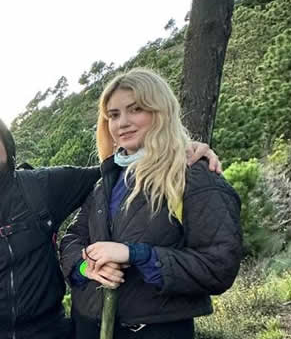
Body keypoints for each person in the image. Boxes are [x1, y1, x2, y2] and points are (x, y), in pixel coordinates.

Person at [0, 104, 220, 339]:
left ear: (5, 143)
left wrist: (177, 149)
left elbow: (110, 171)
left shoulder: (42, 186)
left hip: (52, 331)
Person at [59, 68, 242, 339]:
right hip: (88, 328)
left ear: (161, 111)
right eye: (114, 115)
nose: (122, 123)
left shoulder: (193, 175)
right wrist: (87, 267)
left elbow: (219, 266)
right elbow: (72, 239)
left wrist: (137, 255)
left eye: (136, 109)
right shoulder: (106, 180)